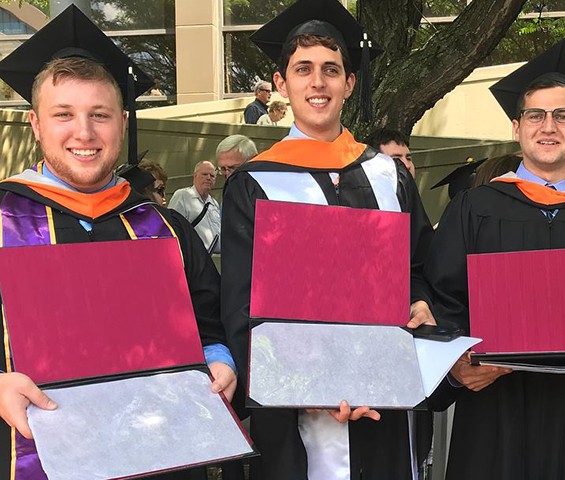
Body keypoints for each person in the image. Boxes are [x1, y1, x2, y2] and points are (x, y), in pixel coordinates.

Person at [0, 6, 236, 478]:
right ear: (36, 124)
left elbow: (210, 325)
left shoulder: (165, 228)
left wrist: (220, 361)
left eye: (100, 115)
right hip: (34, 453)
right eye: (63, 114)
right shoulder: (4, 220)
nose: (83, 133)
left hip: (161, 453)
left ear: (123, 122)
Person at [220, 0, 435, 478]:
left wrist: (420, 300)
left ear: (349, 83)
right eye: (303, 70)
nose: (318, 83)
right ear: (282, 84)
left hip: (384, 398)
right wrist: (305, 385)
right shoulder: (256, 183)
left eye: (331, 70)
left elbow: (419, 267)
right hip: (297, 405)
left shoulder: (387, 176)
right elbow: (240, 308)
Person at [423, 40, 565, 480]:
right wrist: (455, 368)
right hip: (492, 408)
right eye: (535, 115)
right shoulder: (475, 208)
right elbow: (439, 296)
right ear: (517, 127)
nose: (548, 126)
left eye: (562, 115)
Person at [169, 161, 221, 254]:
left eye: (212, 176)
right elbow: (173, 228)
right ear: (195, 175)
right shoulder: (183, 195)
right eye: (204, 174)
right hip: (192, 257)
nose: (208, 178)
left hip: (212, 259)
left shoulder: (214, 203)